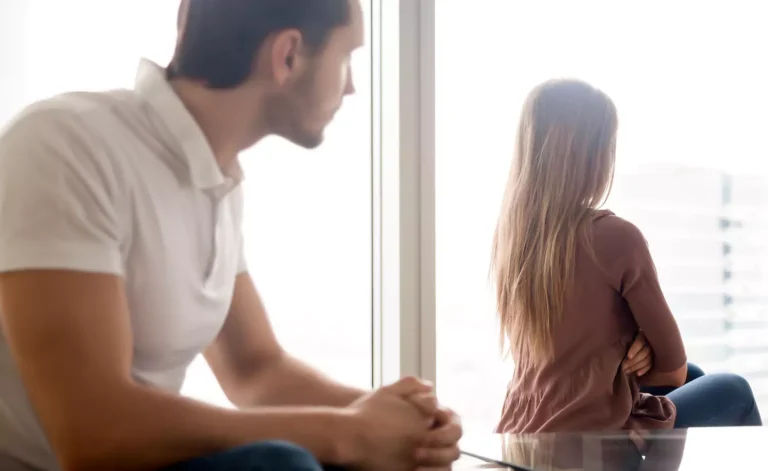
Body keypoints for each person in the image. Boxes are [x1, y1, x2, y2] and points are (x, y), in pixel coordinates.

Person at [0, 1, 462, 470]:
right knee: (282, 465)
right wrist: (347, 434)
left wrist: (401, 422)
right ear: (287, 55)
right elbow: (95, 432)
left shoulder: (217, 181)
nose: (351, 86)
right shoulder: (67, 147)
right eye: (346, 58)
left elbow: (256, 370)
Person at [491, 78, 762, 434]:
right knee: (732, 390)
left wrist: (632, 346)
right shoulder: (614, 237)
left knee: (694, 378)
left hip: (524, 437)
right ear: (594, 154)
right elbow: (672, 369)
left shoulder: (515, 238)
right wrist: (643, 343)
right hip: (589, 443)